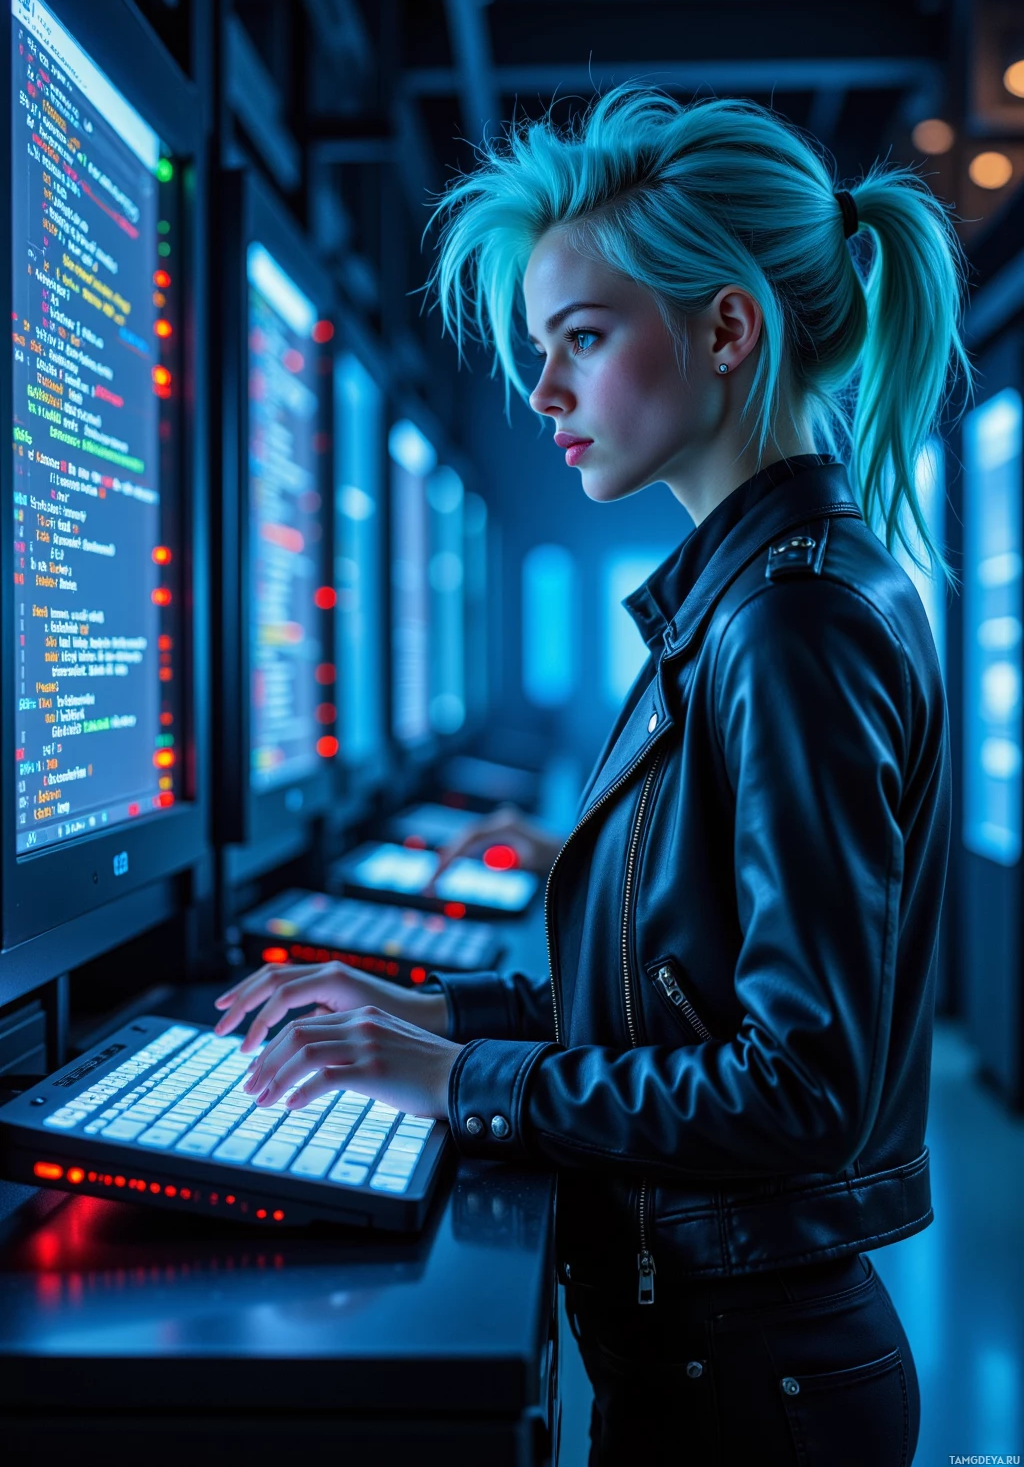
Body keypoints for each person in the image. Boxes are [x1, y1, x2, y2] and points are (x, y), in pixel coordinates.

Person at [213, 87, 963, 1465]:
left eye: (583, 338)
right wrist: (423, 1009)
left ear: (727, 330)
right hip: (724, 1353)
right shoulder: (746, 603)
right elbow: (671, 1000)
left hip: (750, 1383)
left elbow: (801, 1088)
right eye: (539, 350)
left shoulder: (791, 622)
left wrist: (460, 1079)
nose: (543, 392)